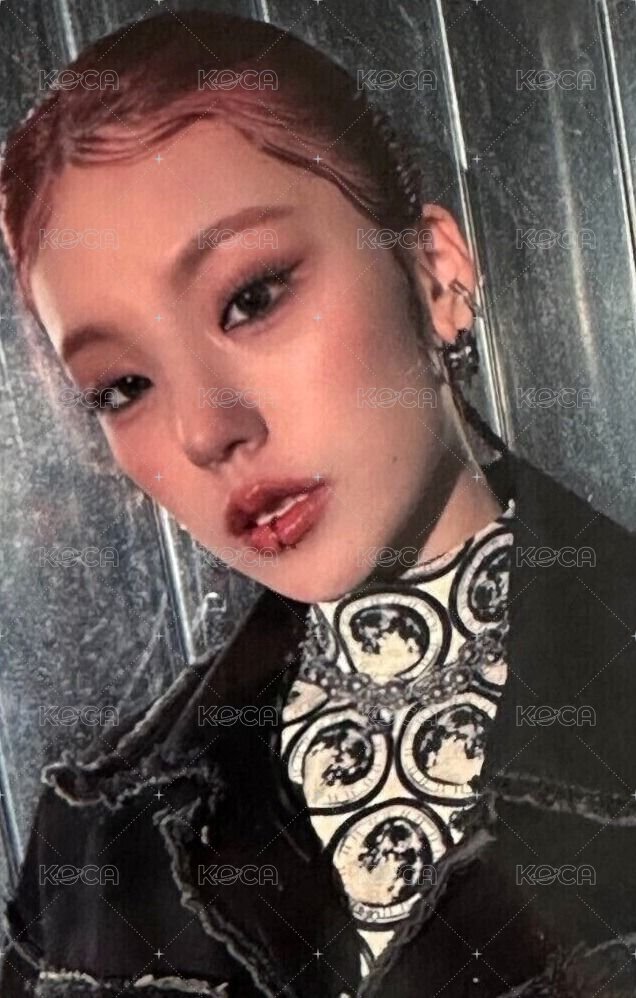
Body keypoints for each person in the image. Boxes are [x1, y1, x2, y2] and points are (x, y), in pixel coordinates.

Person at [1, 9, 635, 998]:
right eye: (123, 385)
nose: (206, 430)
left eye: (252, 296)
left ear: (436, 274)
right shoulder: (100, 840)